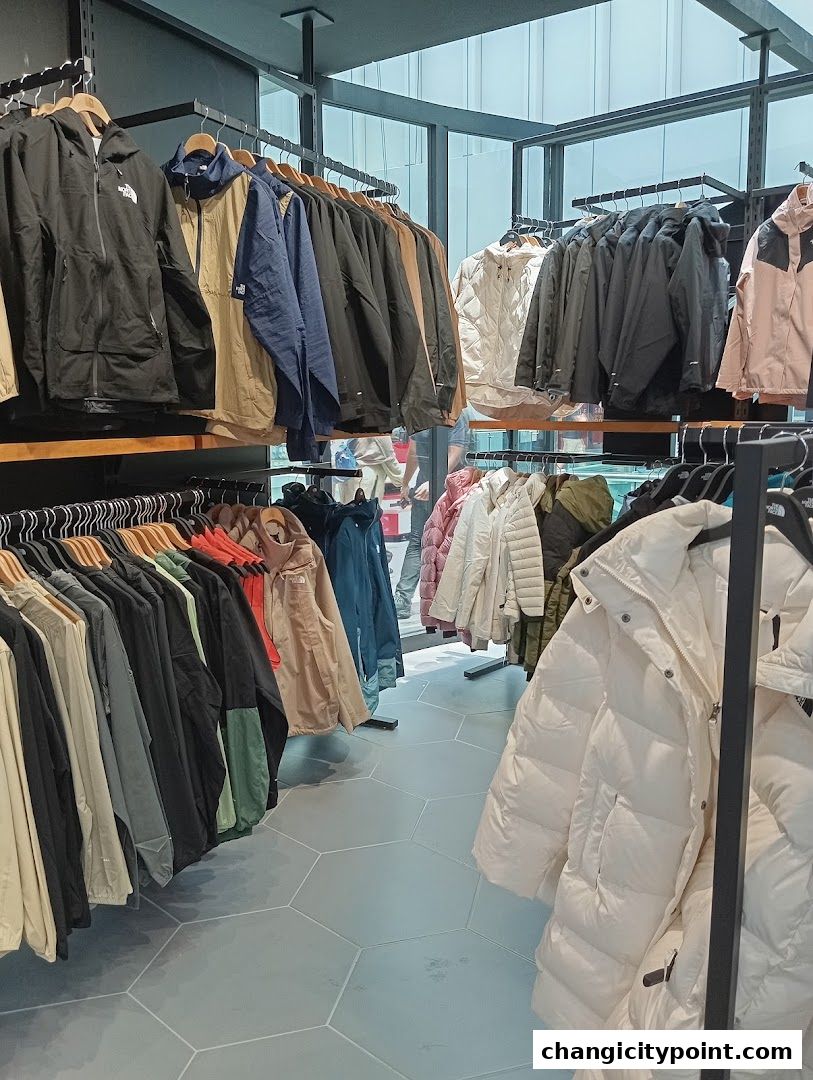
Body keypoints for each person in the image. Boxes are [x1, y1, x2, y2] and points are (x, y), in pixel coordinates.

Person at [394, 408, 472, 619]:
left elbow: (455, 451)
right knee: (419, 539)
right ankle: (403, 599)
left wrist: (433, 480)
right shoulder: (431, 410)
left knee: (446, 542)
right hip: (431, 482)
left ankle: (442, 600)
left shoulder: (453, 412)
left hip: (451, 484)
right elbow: (415, 450)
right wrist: (405, 483)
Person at [338, 437, 405, 503]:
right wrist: (405, 483)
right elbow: (390, 461)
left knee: (346, 507)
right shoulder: (380, 435)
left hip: (348, 474)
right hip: (366, 479)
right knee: (365, 508)